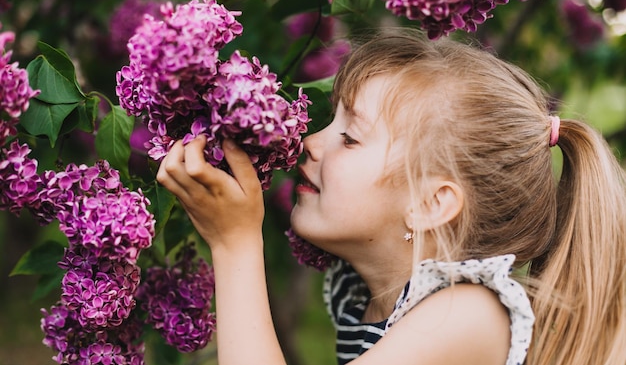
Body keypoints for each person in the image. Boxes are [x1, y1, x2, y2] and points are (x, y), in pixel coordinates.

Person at [156, 28, 626, 365]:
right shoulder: (371, 296)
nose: (309, 143)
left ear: (430, 205)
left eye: (350, 137)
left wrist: (234, 244)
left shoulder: (464, 316)